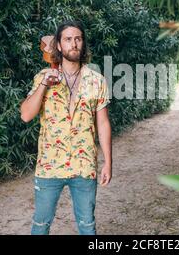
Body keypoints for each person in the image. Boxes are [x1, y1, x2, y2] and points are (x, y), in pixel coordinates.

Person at [20, 20, 112, 235]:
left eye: (78, 39)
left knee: (87, 226)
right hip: (49, 165)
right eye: (68, 39)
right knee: (41, 225)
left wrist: (108, 162)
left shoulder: (97, 81)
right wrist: (44, 85)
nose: (74, 43)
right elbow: (25, 115)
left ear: (83, 44)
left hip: (84, 164)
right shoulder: (44, 77)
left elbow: (103, 122)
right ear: (59, 46)